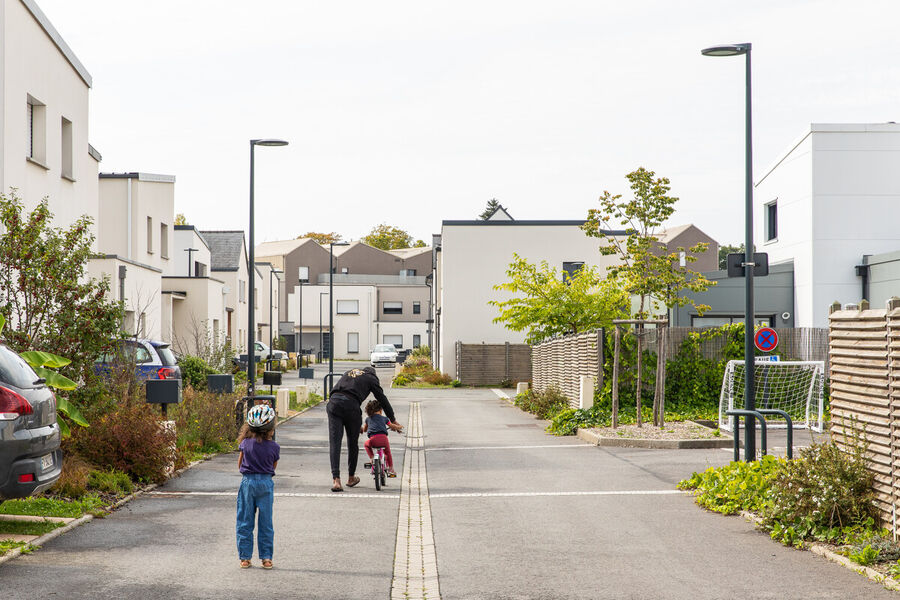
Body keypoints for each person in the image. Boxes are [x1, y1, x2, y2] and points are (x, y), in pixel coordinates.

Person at [327, 366, 403, 492]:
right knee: (352, 443)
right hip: (351, 405)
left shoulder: (349, 372)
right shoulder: (371, 378)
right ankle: (351, 478)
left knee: (335, 442)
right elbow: (382, 399)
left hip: (334, 403)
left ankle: (336, 480)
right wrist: (392, 419)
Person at [236, 404, 279, 569]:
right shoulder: (274, 447)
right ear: (270, 428)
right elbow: (273, 467)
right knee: (266, 522)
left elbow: (240, 465)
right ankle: (266, 558)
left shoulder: (245, 444)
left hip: (248, 483)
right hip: (266, 483)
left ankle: (245, 558)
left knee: (245, 520)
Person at [361, 399, 402, 477]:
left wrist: (365, 429)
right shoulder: (384, 418)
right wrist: (399, 427)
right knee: (387, 453)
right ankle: (391, 469)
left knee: (366, 444)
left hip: (373, 440)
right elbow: (392, 426)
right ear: (380, 410)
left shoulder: (368, 419)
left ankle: (372, 458)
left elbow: (365, 429)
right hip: (383, 439)